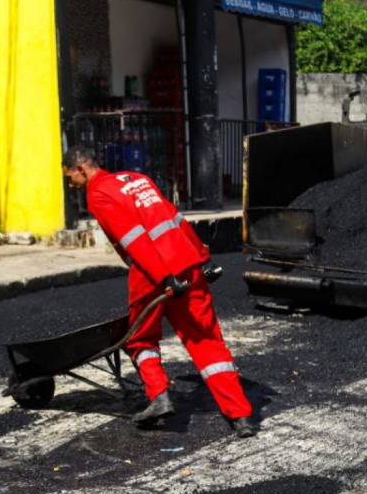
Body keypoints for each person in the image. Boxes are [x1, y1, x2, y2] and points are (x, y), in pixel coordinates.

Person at [62, 146, 256, 437]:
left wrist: (164, 276)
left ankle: (160, 397)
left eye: (69, 177)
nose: (70, 184)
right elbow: (175, 219)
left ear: (81, 168)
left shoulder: (98, 193)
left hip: (152, 271)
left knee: (139, 338)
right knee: (207, 340)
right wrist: (204, 258)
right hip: (187, 262)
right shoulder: (137, 179)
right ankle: (241, 416)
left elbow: (133, 239)